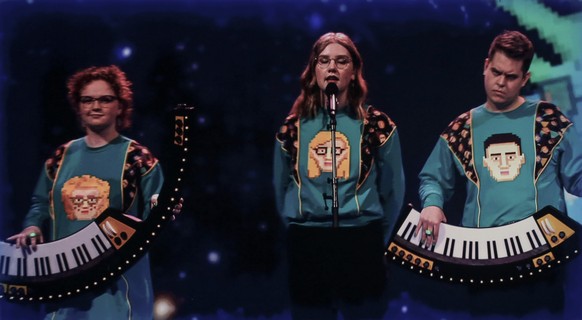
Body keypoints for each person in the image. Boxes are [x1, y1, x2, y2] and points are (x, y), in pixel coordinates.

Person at [416, 30, 582, 317]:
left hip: (543, 258)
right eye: (495, 72)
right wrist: (432, 203)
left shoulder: (549, 122)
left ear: (525, 79)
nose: (501, 83)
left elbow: (577, 176)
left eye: (511, 76)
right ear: (485, 66)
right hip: (483, 260)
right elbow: (432, 178)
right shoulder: (462, 128)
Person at [7, 65, 169, 319]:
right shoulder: (59, 159)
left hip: (118, 292)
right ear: (78, 106)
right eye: (88, 100)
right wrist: (33, 228)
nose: (96, 106)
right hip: (64, 286)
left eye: (105, 99)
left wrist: (163, 209)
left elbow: (153, 219)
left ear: (120, 106)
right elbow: (40, 205)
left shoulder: (139, 159)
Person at [273, 32, 405, 319]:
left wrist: (375, 240)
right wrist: (299, 229)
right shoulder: (292, 127)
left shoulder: (377, 124)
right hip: (308, 244)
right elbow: (279, 185)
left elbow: (394, 188)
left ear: (354, 70)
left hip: (362, 242)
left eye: (341, 61)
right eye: (324, 61)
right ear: (314, 70)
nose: (332, 68)